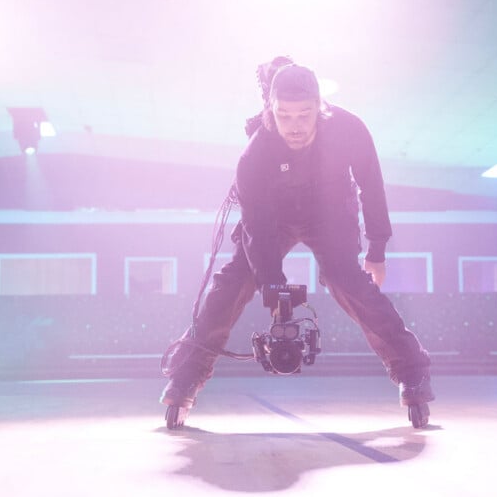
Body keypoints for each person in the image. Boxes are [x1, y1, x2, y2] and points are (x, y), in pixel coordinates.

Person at [160, 58, 434, 427]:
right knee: (233, 282)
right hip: (273, 218)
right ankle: (186, 376)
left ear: (320, 108)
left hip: (331, 212)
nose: (295, 126)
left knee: (346, 281)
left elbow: (372, 185)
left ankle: (411, 371)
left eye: (304, 115)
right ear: (270, 111)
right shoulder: (254, 155)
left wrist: (377, 249)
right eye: (285, 116)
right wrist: (271, 281)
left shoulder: (348, 129)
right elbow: (257, 226)